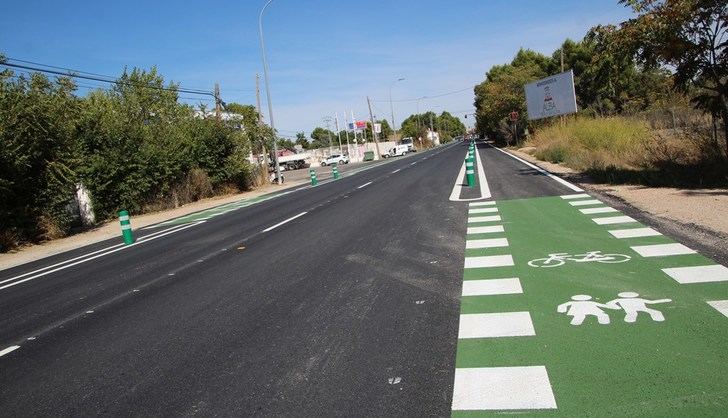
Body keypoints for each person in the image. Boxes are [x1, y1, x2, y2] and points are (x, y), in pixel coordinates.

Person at [605, 292, 671, 323]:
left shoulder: (620, 299)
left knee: (632, 313)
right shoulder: (639, 299)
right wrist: (665, 300)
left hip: (634, 309)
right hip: (638, 308)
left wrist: (616, 307)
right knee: (654, 311)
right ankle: (658, 318)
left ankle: (630, 319)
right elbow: (652, 302)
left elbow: (609, 303)